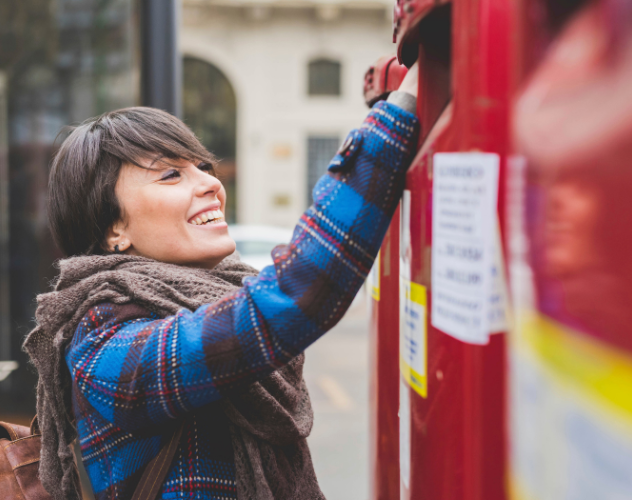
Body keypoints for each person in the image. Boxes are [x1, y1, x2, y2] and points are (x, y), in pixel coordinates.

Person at [24, 64, 419, 500]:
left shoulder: (215, 293)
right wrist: (395, 120)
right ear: (114, 228)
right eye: (171, 174)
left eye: (203, 166)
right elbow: (288, 301)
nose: (212, 183)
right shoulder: (103, 342)